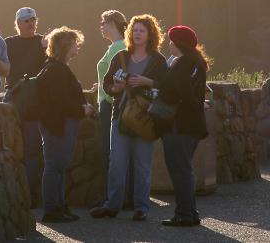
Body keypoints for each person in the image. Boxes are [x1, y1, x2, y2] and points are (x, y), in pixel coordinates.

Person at [90, 14, 168, 221]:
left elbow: (168, 88)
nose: (137, 34)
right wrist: (117, 86)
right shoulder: (121, 57)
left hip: (146, 117)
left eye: (142, 30)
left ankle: (141, 207)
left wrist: (146, 81)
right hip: (121, 115)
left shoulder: (158, 60)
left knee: (142, 164)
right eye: (134, 30)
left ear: (151, 34)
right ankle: (112, 205)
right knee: (116, 161)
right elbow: (107, 84)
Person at [37, 26, 94, 222]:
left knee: (58, 166)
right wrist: (82, 110)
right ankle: (52, 209)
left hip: (57, 124)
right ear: (65, 47)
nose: (77, 47)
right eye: (74, 44)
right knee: (54, 166)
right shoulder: (56, 70)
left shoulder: (53, 67)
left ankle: (59, 207)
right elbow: (60, 101)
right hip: (57, 125)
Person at [0, 7, 48, 207]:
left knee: (33, 148)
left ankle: (31, 196)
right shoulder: (8, 43)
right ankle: (14, 195)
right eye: (25, 20)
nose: (30, 23)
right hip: (14, 98)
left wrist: (46, 48)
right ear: (17, 23)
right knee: (11, 147)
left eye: (33, 19)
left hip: (35, 101)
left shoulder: (43, 42)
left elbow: (51, 66)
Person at [158, 25, 210, 227]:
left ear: (178, 43)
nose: (169, 45)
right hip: (193, 124)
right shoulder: (197, 62)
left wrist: (162, 95)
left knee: (179, 169)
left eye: (171, 41)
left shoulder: (183, 64)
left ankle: (184, 214)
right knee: (185, 169)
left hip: (179, 124)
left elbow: (179, 93)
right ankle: (189, 212)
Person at [94, 10, 127, 203]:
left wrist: (106, 95)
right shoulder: (115, 46)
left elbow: (117, 76)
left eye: (103, 22)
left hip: (109, 104)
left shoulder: (118, 47)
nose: (101, 26)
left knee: (109, 151)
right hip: (107, 100)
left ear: (112, 23)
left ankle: (111, 196)